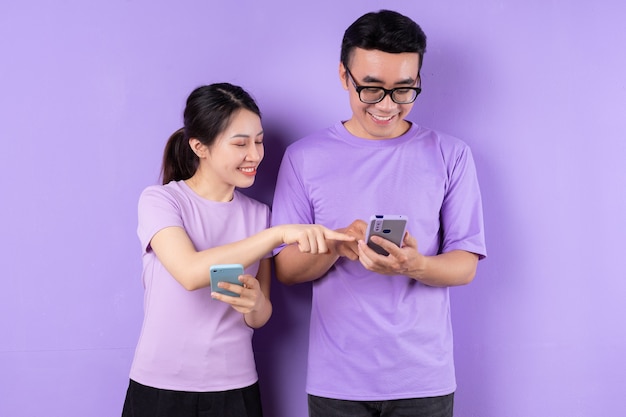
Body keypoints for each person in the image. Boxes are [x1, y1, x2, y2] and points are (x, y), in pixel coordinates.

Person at [271, 10, 487, 417]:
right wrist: (337, 245)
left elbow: (465, 265)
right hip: (337, 381)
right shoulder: (303, 158)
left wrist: (415, 265)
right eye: (370, 89)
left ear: (418, 80)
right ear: (343, 76)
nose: (387, 105)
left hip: (424, 378)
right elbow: (285, 269)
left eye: (403, 89)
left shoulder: (451, 155)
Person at [121, 83, 353, 417]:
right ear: (200, 146)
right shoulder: (162, 201)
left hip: (235, 388)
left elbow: (260, 316)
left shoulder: (259, 215)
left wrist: (255, 303)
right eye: (241, 143)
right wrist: (278, 234)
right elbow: (189, 273)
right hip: (159, 386)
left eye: (258, 141)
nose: (255, 155)